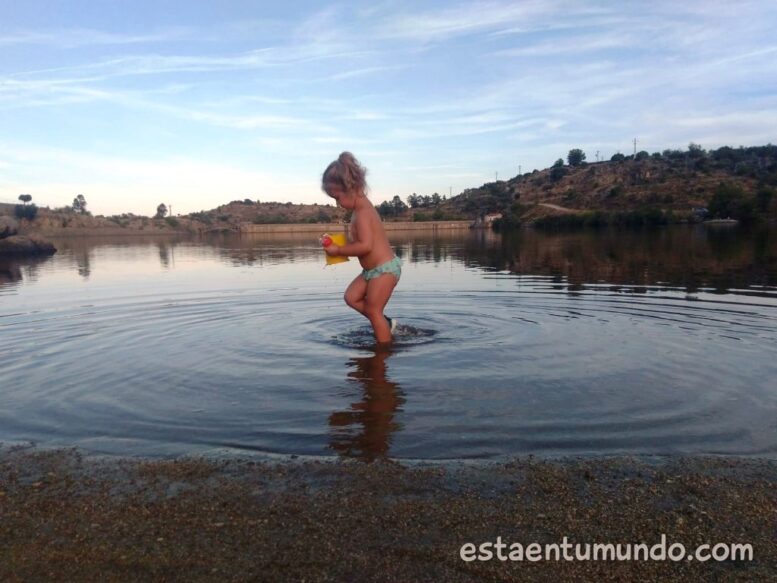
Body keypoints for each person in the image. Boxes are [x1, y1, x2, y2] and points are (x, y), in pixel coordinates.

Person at [321, 152, 401, 344]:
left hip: (384, 270)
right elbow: (360, 242)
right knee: (351, 297)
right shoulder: (358, 212)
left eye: (337, 197)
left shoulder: (364, 213)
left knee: (373, 310)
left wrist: (339, 251)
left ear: (351, 188)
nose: (337, 203)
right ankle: (384, 323)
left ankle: (383, 351)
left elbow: (365, 246)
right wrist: (334, 243)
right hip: (371, 271)